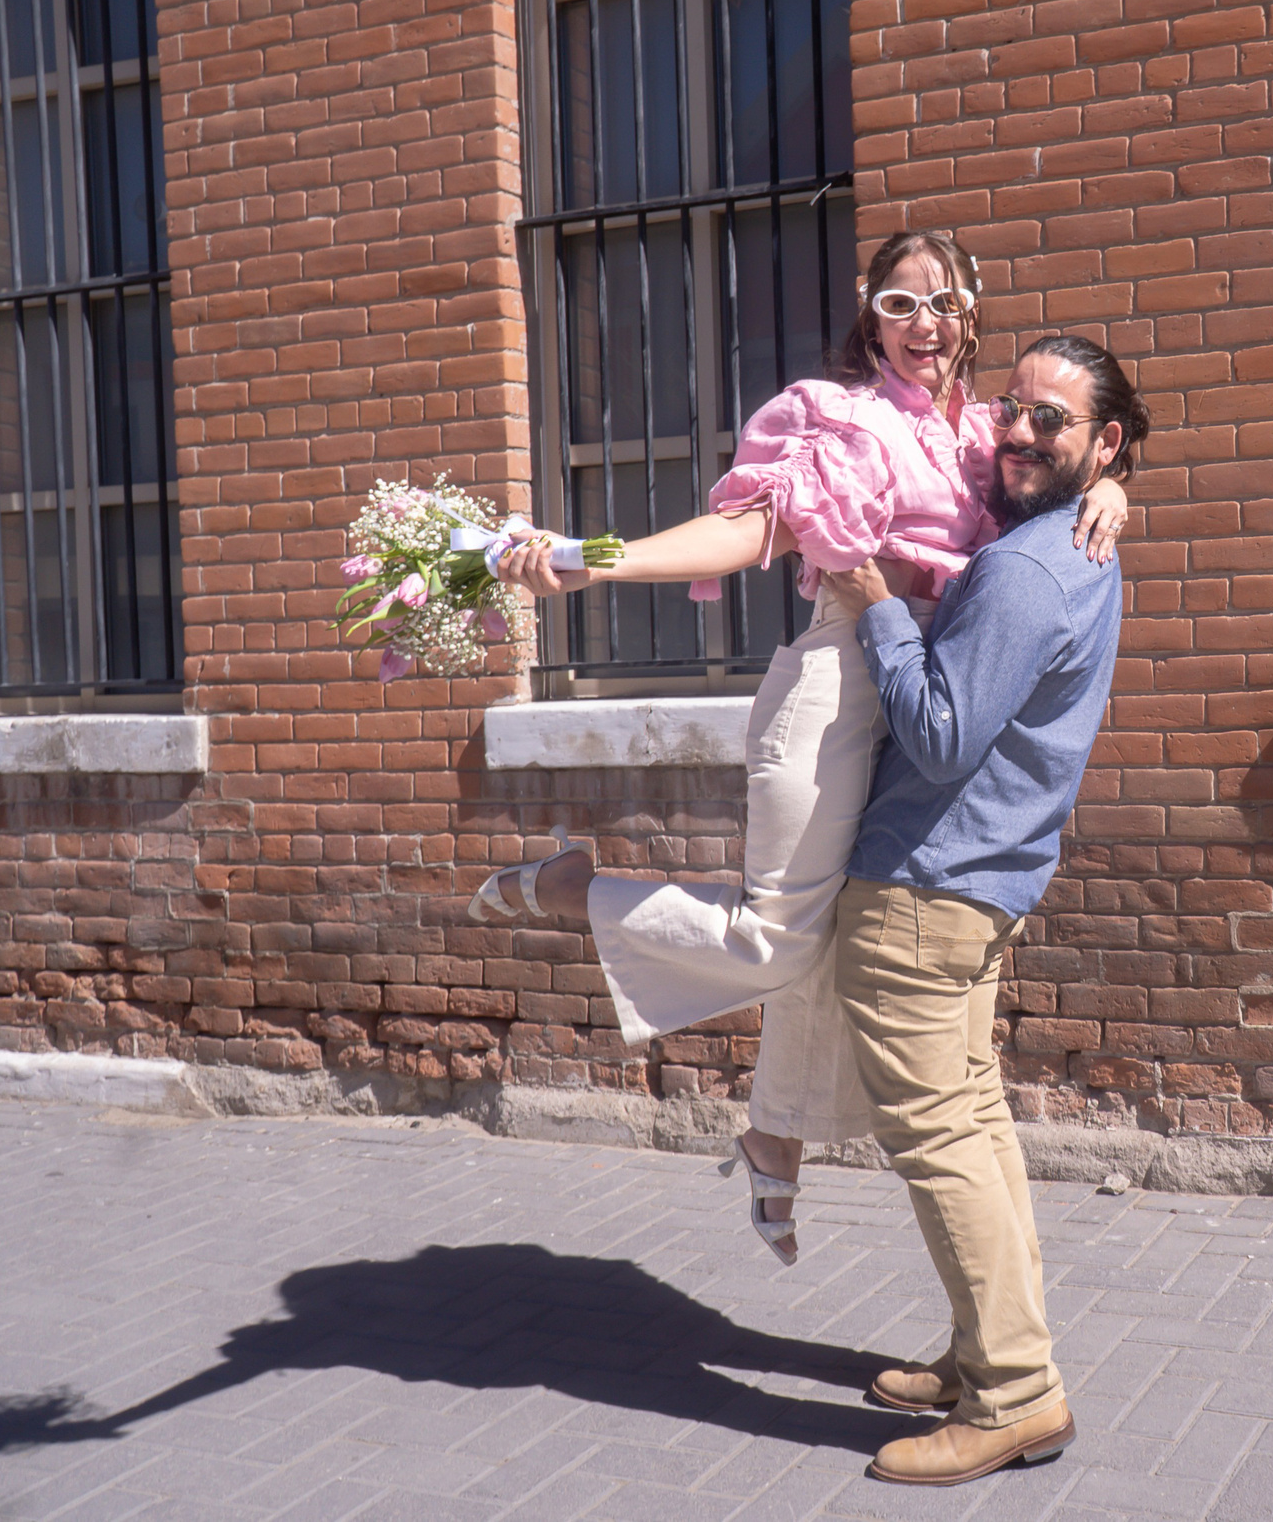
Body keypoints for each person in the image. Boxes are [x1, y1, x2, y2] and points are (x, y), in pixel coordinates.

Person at [467, 232, 1127, 1267]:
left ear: (974, 313)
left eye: (944, 303)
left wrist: (1112, 492)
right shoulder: (838, 420)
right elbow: (746, 531)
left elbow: (1066, 471)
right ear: (871, 314)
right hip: (834, 694)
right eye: (900, 304)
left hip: (921, 703)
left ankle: (774, 1133)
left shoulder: (993, 435)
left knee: (831, 936)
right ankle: (566, 887)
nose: (925, 325)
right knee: (775, 940)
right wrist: (590, 561)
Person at [814, 332, 1143, 1486]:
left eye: (1049, 420)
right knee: (977, 1127)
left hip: (925, 887)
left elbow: (941, 732)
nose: (1014, 430)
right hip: (977, 886)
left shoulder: (1023, 570)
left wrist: (870, 604)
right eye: (1011, 407)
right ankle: (984, 1356)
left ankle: (1011, 1395)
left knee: (943, 1140)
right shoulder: (1075, 546)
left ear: (1104, 440)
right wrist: (1112, 486)